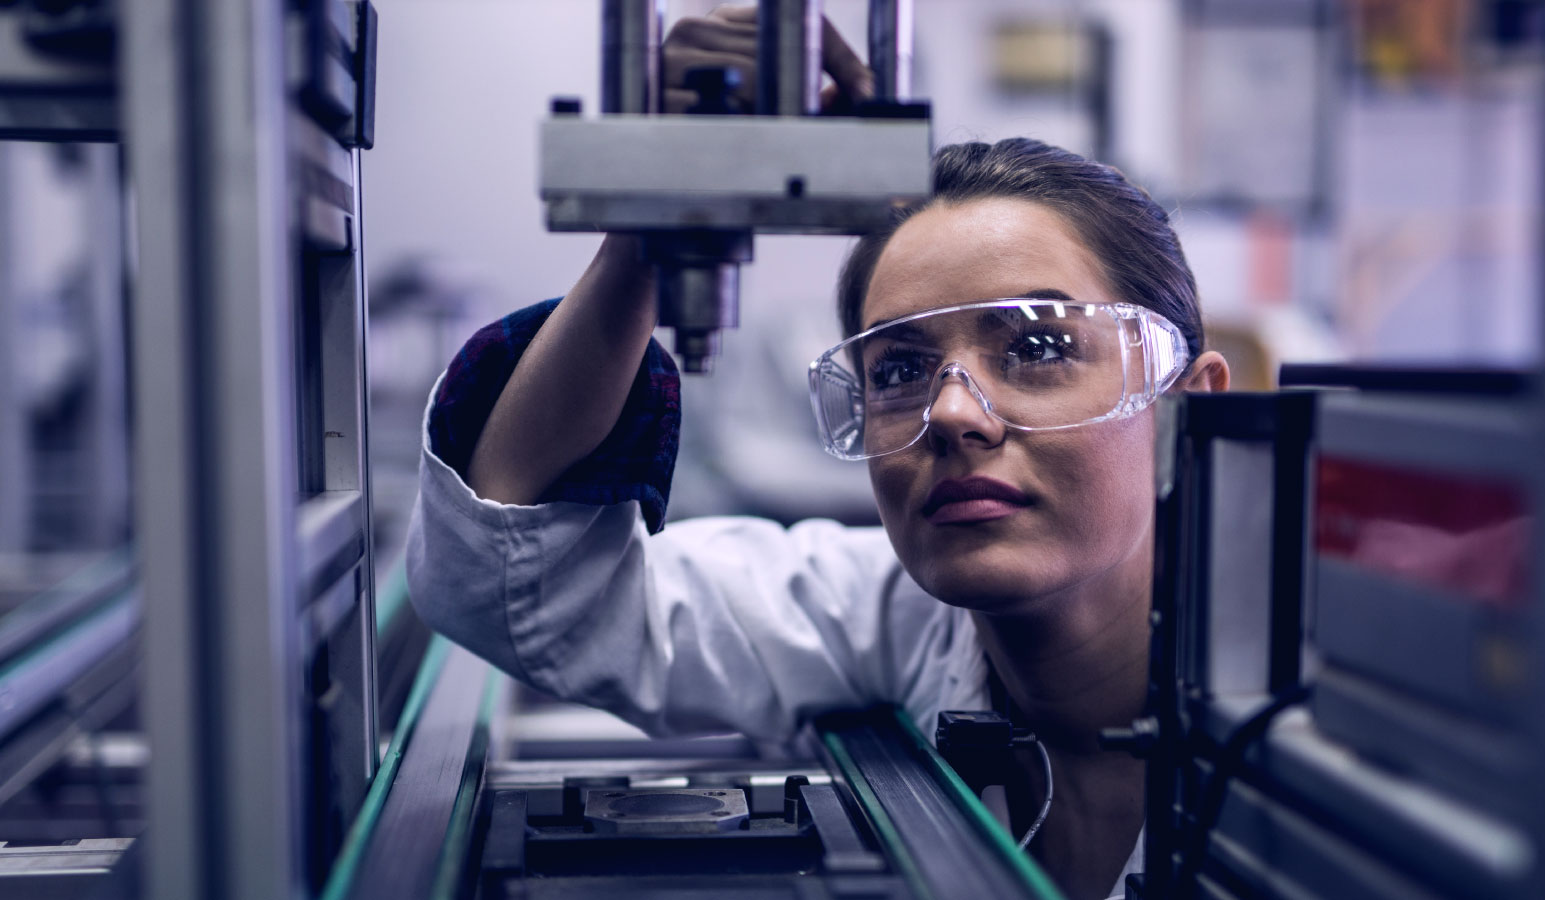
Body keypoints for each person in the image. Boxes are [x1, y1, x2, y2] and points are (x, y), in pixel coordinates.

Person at [405, 9, 1229, 899]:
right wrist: (650, 227)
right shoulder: (891, 620)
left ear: (1188, 409)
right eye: (902, 368)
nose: (953, 412)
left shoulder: (1343, 725)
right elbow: (512, 585)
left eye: (1036, 348)